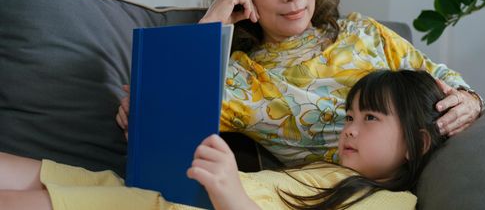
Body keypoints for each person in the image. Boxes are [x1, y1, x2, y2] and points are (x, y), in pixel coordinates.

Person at [116, 0, 484, 166]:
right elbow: (158, 124)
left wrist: (469, 100)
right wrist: (212, 21)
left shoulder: (365, 32)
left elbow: (446, 82)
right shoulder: (240, 79)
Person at [0, 69, 447, 210]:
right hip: (162, 191)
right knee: (25, 172)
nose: (350, 127)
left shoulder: (391, 203)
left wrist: (232, 192)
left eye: (370, 118)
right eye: (350, 115)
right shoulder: (326, 168)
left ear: (417, 143)